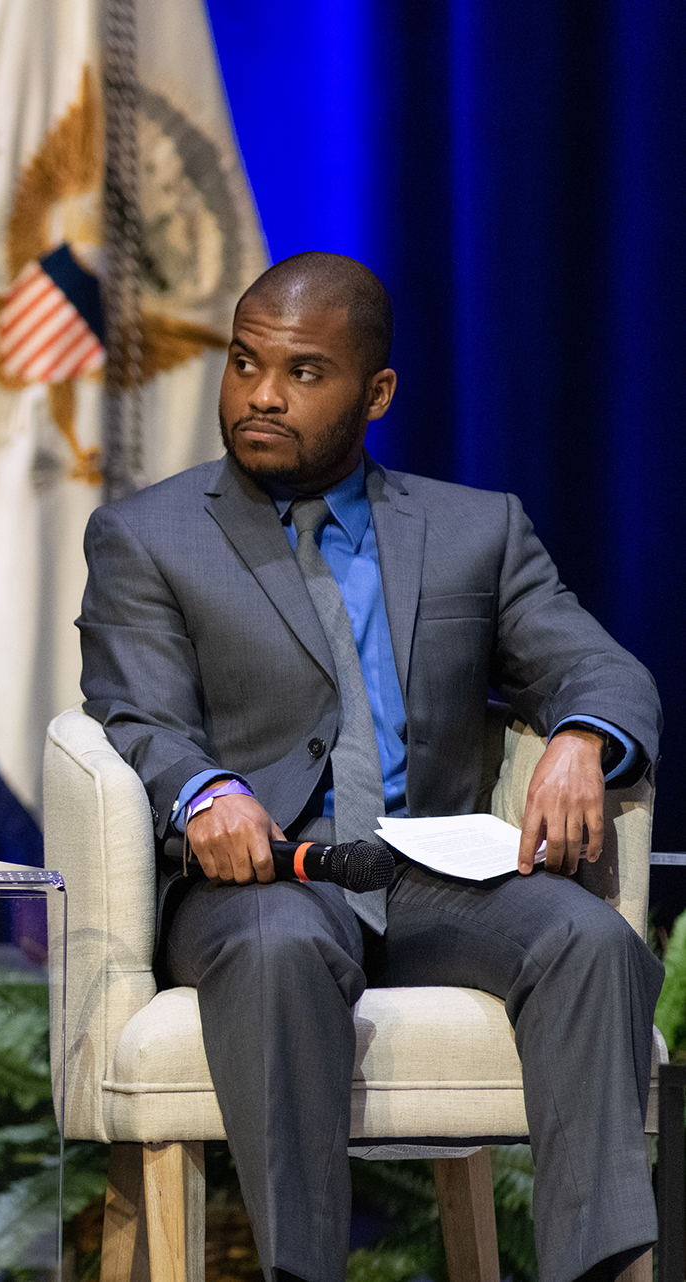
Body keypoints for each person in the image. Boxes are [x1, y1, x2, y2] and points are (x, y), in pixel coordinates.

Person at [77, 251, 662, 1282]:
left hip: (431, 874)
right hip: (265, 875)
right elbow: (139, 712)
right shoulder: (147, 535)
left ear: (376, 392)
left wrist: (579, 738)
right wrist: (206, 791)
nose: (261, 393)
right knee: (278, 952)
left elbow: (597, 666)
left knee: (590, 942)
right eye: (246, 362)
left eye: (303, 372)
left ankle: (602, 1269)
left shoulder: (477, 529)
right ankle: (304, 1271)